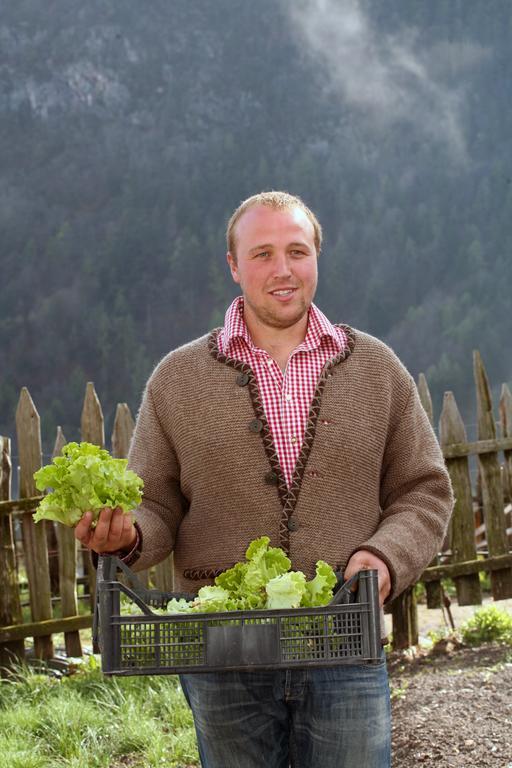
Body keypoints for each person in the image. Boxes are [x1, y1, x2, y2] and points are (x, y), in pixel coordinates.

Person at [76, 190, 454, 768]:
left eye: (297, 251)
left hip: (341, 637)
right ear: (233, 265)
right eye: (262, 254)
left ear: (317, 258)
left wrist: (385, 556)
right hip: (221, 652)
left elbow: (423, 490)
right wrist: (126, 537)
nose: (283, 270)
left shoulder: (377, 369)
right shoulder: (177, 379)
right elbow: (154, 505)